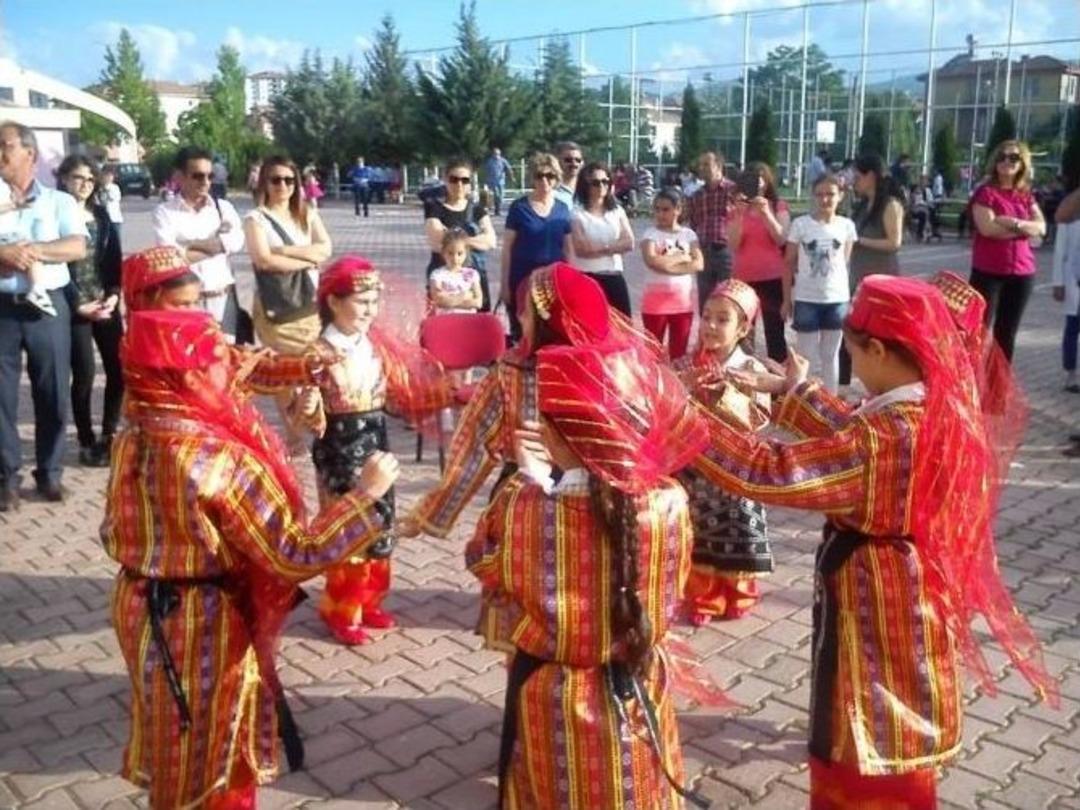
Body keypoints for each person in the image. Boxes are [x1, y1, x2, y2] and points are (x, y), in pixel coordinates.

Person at [694, 274, 1057, 809]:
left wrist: (688, 422)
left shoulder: (886, 436)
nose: (852, 363)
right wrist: (791, 391)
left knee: (865, 722)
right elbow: (850, 434)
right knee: (900, 714)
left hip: (875, 594)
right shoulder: (929, 406)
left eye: (854, 351)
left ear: (881, 351)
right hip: (914, 587)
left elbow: (771, 469)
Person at [102, 305, 401, 809]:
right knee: (213, 749)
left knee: (172, 731)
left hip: (137, 604)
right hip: (200, 619)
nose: (231, 370)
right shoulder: (216, 458)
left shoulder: (133, 435)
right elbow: (295, 554)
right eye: (217, 361)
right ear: (191, 374)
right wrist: (365, 496)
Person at [468, 320, 710, 809]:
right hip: (639, 682)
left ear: (555, 436)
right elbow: (678, 576)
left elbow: (484, 561)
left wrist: (532, 478)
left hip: (553, 697)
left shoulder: (522, 506)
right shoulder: (668, 503)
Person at [404, 262, 631, 541]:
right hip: (601, 503)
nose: (520, 317)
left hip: (525, 501)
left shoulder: (511, 374)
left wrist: (430, 514)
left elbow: (474, 449)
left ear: (546, 322)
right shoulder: (615, 371)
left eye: (527, 311)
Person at [294, 256, 448, 646]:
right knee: (348, 528)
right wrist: (309, 406)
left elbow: (393, 398)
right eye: (361, 302)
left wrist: (425, 393)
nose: (370, 310)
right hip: (339, 449)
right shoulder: (317, 352)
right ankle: (341, 608)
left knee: (381, 523)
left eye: (374, 301)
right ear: (334, 302)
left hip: (376, 442)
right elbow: (302, 415)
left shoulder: (375, 345)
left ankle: (370, 599)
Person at [673, 279, 772, 624]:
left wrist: (723, 396)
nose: (711, 326)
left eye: (722, 319)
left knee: (739, 529)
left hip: (736, 468)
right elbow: (664, 406)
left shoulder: (753, 371)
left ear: (743, 328)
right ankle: (703, 599)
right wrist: (681, 389)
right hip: (695, 468)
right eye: (706, 316)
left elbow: (760, 418)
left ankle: (739, 593)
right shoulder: (684, 365)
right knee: (698, 532)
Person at [0, 121, 87, 510]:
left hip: (47, 307)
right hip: (2, 307)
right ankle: (7, 478)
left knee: (52, 391)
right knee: (1, 398)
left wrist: (32, 251)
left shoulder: (59, 201)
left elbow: (76, 247)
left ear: (29, 153)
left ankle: (50, 473)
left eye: (5, 146)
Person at [244, 156, 332, 450]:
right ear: (264, 183)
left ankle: (311, 421)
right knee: (284, 369)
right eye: (276, 180)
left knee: (313, 363)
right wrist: (306, 259)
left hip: (310, 301)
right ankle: (293, 435)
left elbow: (325, 249)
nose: (283, 186)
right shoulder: (256, 219)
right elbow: (263, 260)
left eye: (289, 180)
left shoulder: (307, 213)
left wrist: (285, 251)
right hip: (277, 305)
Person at [56, 156, 123, 468]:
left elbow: (113, 260)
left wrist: (114, 295)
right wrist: (78, 305)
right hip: (74, 307)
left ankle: (109, 435)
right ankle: (86, 440)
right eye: (78, 177)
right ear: (64, 179)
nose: (84, 184)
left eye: (90, 179)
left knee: (118, 370)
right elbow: (54, 267)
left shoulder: (102, 215)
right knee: (84, 375)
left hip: (104, 302)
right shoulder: (54, 216)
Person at [153, 146, 246, 339]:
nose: (205, 182)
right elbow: (171, 257)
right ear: (179, 176)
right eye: (197, 176)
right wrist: (218, 244)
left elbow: (237, 242)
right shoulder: (165, 212)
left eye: (210, 176)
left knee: (225, 355)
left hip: (223, 300)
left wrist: (190, 245)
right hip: (187, 305)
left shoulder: (223, 208)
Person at [969, 139, 1046, 362]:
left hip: (1022, 274)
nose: (1007, 161)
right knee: (978, 330)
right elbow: (987, 229)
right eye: (1002, 157)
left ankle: (999, 381)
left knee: (1006, 334)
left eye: (1013, 158)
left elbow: (1042, 228)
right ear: (995, 162)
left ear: (1022, 163)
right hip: (988, 272)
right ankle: (972, 378)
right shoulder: (986, 193)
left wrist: (1013, 223)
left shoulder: (1025, 195)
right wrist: (1025, 230)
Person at [783, 173, 857, 393]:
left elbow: (844, 260)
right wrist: (787, 299)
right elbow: (788, 262)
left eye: (830, 194)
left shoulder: (846, 226)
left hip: (837, 299)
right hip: (807, 298)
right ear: (813, 196)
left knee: (830, 355)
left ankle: (831, 400)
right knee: (805, 357)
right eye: (820, 194)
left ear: (840, 195)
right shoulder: (800, 225)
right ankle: (800, 401)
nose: (825, 199)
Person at [841, 152, 905, 387]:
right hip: (858, 279)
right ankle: (843, 386)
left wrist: (860, 241)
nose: (854, 181)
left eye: (857, 176)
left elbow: (894, 242)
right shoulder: (862, 205)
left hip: (883, 280)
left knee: (880, 337)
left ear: (871, 176)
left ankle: (885, 384)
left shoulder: (890, 204)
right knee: (851, 334)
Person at [500, 153, 573, 343]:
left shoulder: (563, 209)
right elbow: (507, 248)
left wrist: (570, 281)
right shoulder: (519, 208)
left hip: (551, 282)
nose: (544, 181)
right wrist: (504, 285)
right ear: (532, 178)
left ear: (557, 178)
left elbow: (568, 249)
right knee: (523, 335)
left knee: (551, 334)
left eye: (550, 176)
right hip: (521, 280)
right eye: (539, 176)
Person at [729, 161, 791, 362]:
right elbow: (734, 244)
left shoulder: (778, 206)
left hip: (772, 277)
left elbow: (782, 239)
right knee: (744, 332)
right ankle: (745, 371)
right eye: (752, 179)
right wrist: (739, 215)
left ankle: (778, 375)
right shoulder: (737, 209)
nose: (757, 183)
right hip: (744, 278)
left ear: (767, 181)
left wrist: (766, 214)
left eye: (761, 178)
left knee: (775, 332)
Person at [423, 159, 496, 311]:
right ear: (445, 180)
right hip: (443, 277)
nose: (459, 184)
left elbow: (490, 241)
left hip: (474, 277)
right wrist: (473, 240)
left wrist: (455, 239)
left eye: (465, 180)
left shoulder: (477, 209)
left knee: (477, 320)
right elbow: (436, 239)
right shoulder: (434, 209)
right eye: (454, 179)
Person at [640, 188, 704, 360]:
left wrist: (667, 266)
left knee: (679, 354)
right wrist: (682, 257)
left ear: (678, 209)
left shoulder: (688, 234)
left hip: (682, 303)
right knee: (652, 353)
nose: (660, 214)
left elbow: (698, 263)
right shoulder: (650, 234)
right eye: (657, 209)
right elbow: (651, 261)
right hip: (655, 303)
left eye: (666, 209)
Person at [569, 161, 635, 316]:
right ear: (585, 185)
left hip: (614, 275)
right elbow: (582, 250)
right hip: (587, 278)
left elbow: (629, 242)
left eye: (605, 181)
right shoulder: (577, 214)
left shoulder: (617, 211)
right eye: (595, 182)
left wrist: (600, 249)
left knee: (623, 324)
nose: (601, 186)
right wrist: (614, 247)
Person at [686, 150, 735, 313]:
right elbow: (693, 224)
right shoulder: (696, 196)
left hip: (727, 251)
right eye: (700, 165)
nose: (701, 168)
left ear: (718, 166)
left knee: (728, 300)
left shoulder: (733, 191)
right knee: (705, 303)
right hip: (704, 252)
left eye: (706, 164)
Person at [1053, 198, 1080, 393]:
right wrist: (1058, 282)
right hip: (1075, 282)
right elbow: (1059, 251)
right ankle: (1071, 374)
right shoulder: (1068, 217)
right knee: (1073, 328)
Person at [429, 229, 483, 314]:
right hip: (446, 319)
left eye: (459, 253)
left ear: (466, 253)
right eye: (450, 253)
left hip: (468, 319)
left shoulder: (472, 274)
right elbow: (439, 300)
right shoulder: (437, 275)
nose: (455, 258)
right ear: (443, 253)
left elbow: (478, 303)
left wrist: (449, 300)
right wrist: (463, 296)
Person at [483, 147, 514, 217]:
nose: (497, 155)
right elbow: (486, 171)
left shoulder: (503, 161)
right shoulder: (490, 161)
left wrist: (512, 177)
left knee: (501, 196)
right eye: (495, 154)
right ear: (493, 154)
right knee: (496, 195)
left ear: (500, 154)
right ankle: (497, 210)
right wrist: (486, 180)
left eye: (498, 154)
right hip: (492, 182)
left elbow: (509, 168)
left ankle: (497, 209)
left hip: (501, 181)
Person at [554, 141, 583, 209]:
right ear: (557, 162)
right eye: (568, 160)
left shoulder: (588, 190)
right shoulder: (550, 191)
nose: (574, 164)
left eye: (578, 160)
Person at [98, 166, 123, 237]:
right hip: (102, 220)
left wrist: (105, 187)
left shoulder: (115, 188)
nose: (108, 178)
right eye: (106, 175)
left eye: (110, 175)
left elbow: (113, 198)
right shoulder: (98, 188)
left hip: (114, 219)